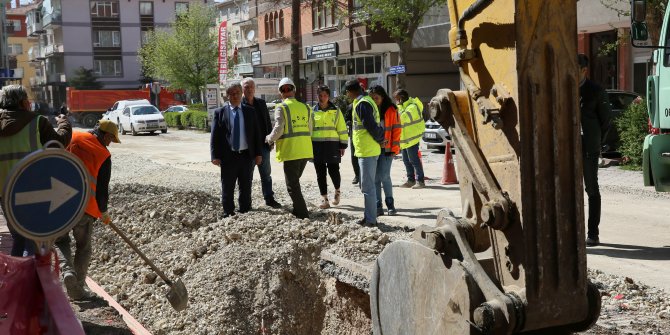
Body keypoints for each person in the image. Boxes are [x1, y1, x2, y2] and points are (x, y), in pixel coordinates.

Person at [0, 85, 72, 257]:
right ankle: (28, 278)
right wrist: (64, 123)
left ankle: (17, 278)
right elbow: (59, 143)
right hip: (34, 190)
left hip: (5, 192)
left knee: (18, 238)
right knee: (31, 240)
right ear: (24, 102)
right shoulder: (37, 122)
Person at [55, 119, 119, 300]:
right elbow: (102, 189)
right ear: (105, 135)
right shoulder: (103, 154)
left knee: (60, 241)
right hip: (85, 208)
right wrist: (103, 211)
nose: (110, 144)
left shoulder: (72, 137)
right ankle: (79, 287)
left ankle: (67, 272)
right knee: (84, 247)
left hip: (60, 203)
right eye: (110, 140)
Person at [210, 81, 264, 218]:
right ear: (227, 95)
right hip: (228, 156)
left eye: (237, 93)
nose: (235, 96)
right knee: (228, 186)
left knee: (246, 185)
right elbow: (214, 136)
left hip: (246, 155)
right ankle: (228, 211)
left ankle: (245, 210)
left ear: (241, 94)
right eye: (232, 94)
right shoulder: (220, 112)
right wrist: (214, 155)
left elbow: (257, 135)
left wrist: (258, 153)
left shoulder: (250, 111)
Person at [266, 78, 313, 219]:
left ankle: (303, 214)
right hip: (305, 150)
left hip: (292, 151)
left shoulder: (282, 107)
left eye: (287, 89)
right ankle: (297, 209)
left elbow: (278, 129)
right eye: (284, 89)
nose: (286, 92)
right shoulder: (306, 107)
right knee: (295, 182)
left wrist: (269, 139)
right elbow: (310, 129)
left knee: (292, 185)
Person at [578, 54, 610, 247]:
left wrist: (597, 144)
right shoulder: (564, 88)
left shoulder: (596, 91)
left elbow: (606, 122)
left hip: (588, 147)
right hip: (568, 147)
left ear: (584, 70)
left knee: (591, 189)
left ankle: (593, 233)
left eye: (576, 68)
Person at [345, 80, 384, 225]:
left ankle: (371, 220)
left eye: (347, 92)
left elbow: (371, 126)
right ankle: (368, 216)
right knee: (366, 186)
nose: (347, 95)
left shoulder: (362, 104)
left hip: (367, 150)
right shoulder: (364, 101)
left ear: (351, 91)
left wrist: (380, 138)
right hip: (366, 149)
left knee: (368, 187)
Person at [240, 77, 282, 209]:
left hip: (263, 145)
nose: (249, 89)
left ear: (255, 88)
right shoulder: (239, 105)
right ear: (242, 89)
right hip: (248, 148)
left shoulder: (261, 103)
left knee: (266, 175)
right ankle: (246, 203)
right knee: (247, 177)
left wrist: (271, 140)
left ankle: (269, 198)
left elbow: (267, 123)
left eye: (252, 86)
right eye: (246, 86)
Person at [311, 85, 348, 209]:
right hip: (317, 145)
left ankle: (337, 192)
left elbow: (342, 128)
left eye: (325, 95)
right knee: (320, 173)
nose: (322, 98)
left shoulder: (336, 111)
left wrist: (343, 145)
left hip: (332, 145)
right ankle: (324, 199)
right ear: (317, 96)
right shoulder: (312, 111)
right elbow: (309, 129)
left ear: (329, 96)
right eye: (320, 96)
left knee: (334, 170)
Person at [369, 85, 400, 216]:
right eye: (372, 98)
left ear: (382, 97)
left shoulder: (391, 110)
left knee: (385, 176)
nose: (374, 100)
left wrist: (394, 148)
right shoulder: (369, 109)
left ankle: (390, 204)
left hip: (387, 149)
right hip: (374, 149)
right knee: (375, 178)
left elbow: (397, 130)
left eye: (376, 98)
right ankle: (378, 206)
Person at [395, 89, 426, 189]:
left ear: (401, 99)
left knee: (414, 160)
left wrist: (399, 106)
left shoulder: (412, 107)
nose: (396, 101)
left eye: (397, 99)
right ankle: (410, 180)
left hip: (412, 138)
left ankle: (420, 181)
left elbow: (402, 118)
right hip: (405, 138)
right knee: (406, 160)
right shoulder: (403, 107)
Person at [343, 103, 360, 184]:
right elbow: (346, 118)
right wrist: (348, 122)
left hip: (366, 138)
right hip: (354, 136)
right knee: (354, 156)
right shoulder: (351, 106)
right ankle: (357, 175)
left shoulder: (367, 104)